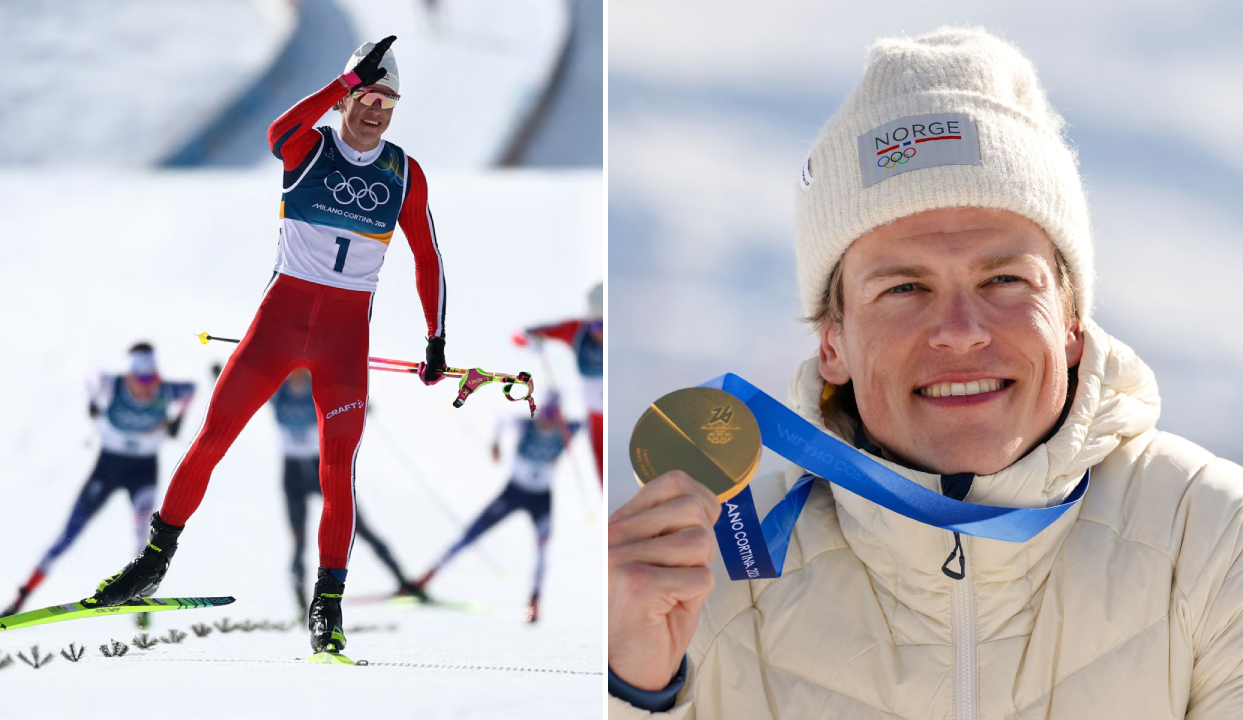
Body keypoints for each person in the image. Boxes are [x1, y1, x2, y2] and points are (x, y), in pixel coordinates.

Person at [608, 27, 1243, 718]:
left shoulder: (1209, 537)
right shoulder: (709, 578)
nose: (961, 332)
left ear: (1070, 320)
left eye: (1003, 279)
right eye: (904, 289)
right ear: (833, 345)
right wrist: (630, 686)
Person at [88, 35, 450, 656]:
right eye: (367, 96)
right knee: (211, 439)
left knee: (338, 473)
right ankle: (151, 562)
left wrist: (436, 337)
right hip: (278, 323)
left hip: (343, 337)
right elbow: (277, 129)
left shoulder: (404, 173)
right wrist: (341, 82)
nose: (376, 110)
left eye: (387, 100)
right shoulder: (308, 147)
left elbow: (427, 257)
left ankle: (328, 605)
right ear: (345, 98)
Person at [1, 344, 193, 627]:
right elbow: (91, 375)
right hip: (108, 469)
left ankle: (140, 600)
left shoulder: (165, 391)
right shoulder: (113, 384)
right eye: (140, 380)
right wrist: (92, 401)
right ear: (129, 376)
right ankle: (20, 599)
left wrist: (180, 419)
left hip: (143, 471)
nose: (146, 388)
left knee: (144, 535)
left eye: (151, 380)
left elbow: (190, 390)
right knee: (67, 535)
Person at [413, 393, 579, 623]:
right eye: (545, 414)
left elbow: (594, 424)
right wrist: (495, 443)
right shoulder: (527, 424)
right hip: (514, 492)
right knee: (471, 535)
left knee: (542, 548)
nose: (546, 420)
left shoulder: (568, 428)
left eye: (552, 416)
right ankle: (426, 578)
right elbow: (501, 417)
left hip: (541, 498)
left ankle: (533, 604)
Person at [270, 368, 425, 613]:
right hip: (292, 475)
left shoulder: (319, 385)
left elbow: (346, 400)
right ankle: (301, 607)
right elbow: (247, 393)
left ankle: (405, 583)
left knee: (359, 528)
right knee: (299, 541)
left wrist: (360, 406)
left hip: (323, 468)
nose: (296, 372)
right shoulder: (277, 388)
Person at [515, 283, 602, 483]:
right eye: (596, 326)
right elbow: (521, 335)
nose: (601, 333)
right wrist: (530, 340)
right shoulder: (576, 331)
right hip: (597, 418)